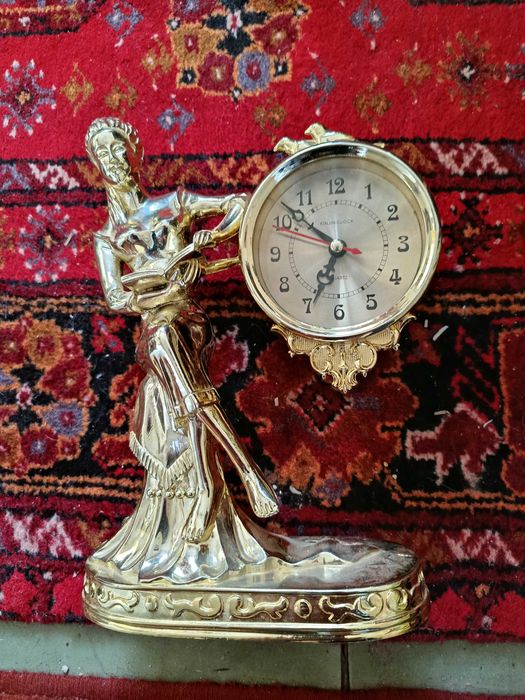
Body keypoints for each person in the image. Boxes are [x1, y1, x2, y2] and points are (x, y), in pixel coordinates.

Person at [86, 117, 278, 561]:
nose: (114, 160)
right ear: (96, 165)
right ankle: (239, 474)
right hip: (156, 320)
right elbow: (116, 296)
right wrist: (162, 287)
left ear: (134, 155)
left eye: (119, 149)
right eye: (103, 154)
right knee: (159, 341)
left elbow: (238, 205)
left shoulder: (172, 205)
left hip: (188, 320)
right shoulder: (107, 237)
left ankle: (220, 482)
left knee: (167, 340)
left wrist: (213, 236)